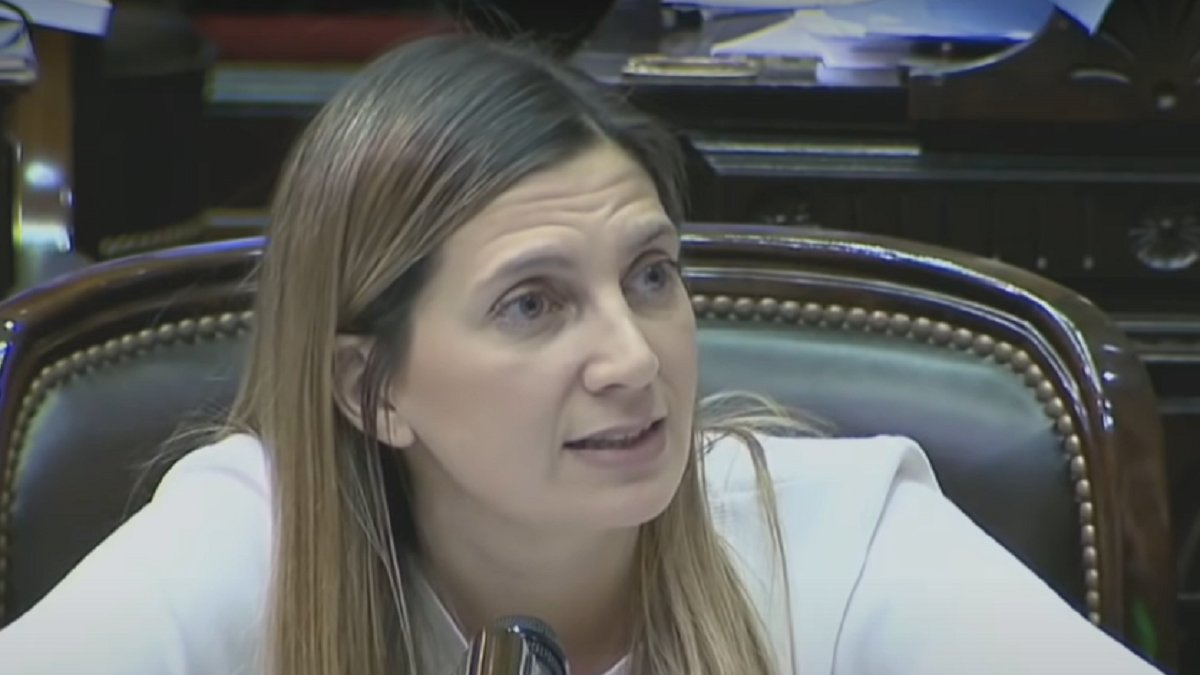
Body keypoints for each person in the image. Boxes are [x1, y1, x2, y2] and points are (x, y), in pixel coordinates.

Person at [0, 34, 1167, 675]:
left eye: (651, 277)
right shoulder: (249, 539)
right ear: (372, 388)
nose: (632, 359)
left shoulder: (836, 534)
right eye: (533, 304)